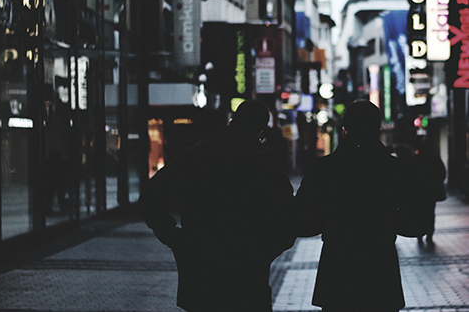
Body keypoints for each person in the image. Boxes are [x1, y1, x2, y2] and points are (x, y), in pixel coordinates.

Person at [137, 100, 296, 312]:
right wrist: (266, 250)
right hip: (248, 275)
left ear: (232, 122)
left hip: (201, 271)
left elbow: (151, 195)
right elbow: (289, 216)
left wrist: (174, 238)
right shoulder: (264, 163)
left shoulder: (195, 155)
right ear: (260, 131)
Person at [293, 100, 426, 312]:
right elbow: (417, 223)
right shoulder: (396, 169)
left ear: (344, 129)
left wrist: (330, 222)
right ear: (378, 129)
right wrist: (387, 223)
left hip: (337, 269)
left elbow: (300, 221)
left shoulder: (323, 169)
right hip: (380, 270)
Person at [412, 136, 447, 245]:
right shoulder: (434, 158)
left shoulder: (417, 158)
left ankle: (419, 234)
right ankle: (429, 235)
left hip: (420, 191)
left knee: (419, 213)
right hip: (431, 191)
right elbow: (442, 172)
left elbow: (411, 174)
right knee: (430, 213)